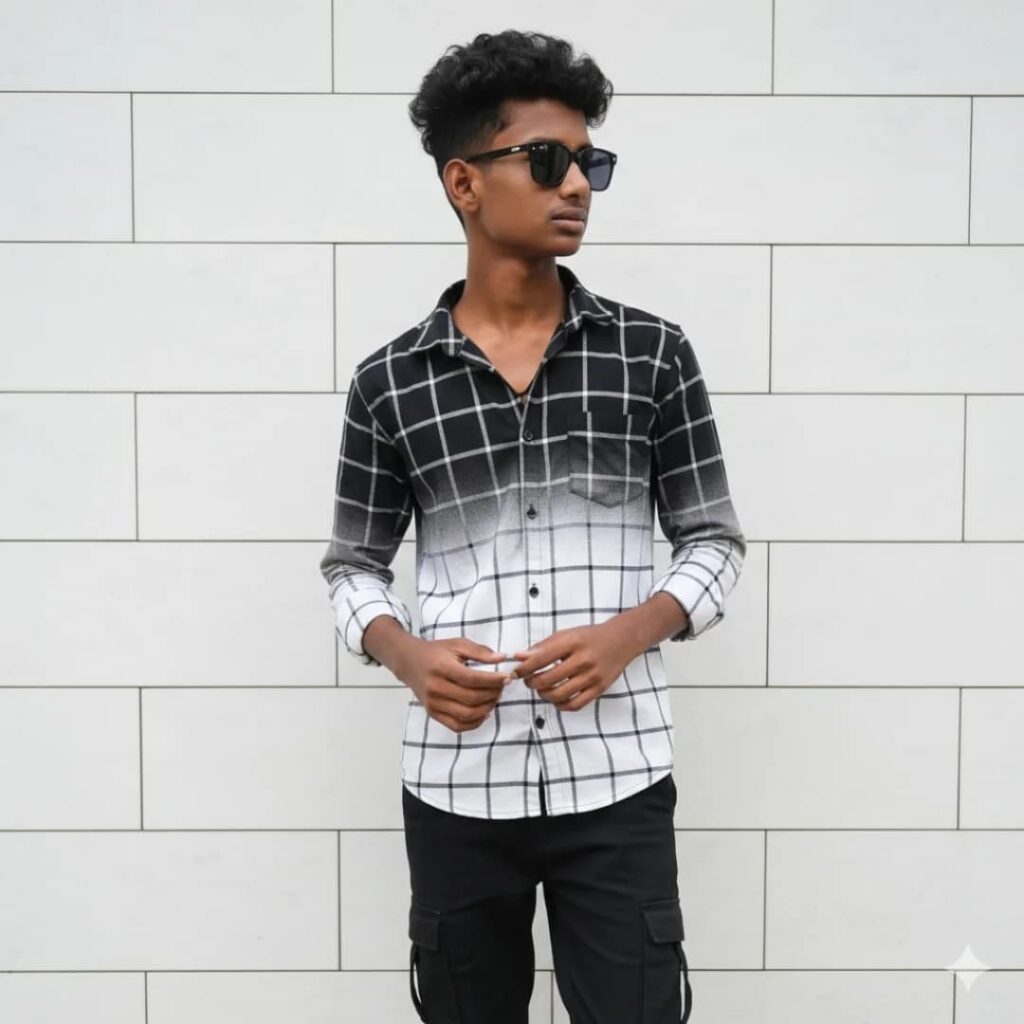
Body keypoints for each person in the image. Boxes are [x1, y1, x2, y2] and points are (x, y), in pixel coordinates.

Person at [319, 28, 745, 1024]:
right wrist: (406, 656)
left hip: (618, 778)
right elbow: (352, 566)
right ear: (464, 183)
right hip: (455, 785)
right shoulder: (390, 383)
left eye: (590, 162)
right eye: (547, 160)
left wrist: (627, 634)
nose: (579, 185)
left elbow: (714, 542)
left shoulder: (650, 356)